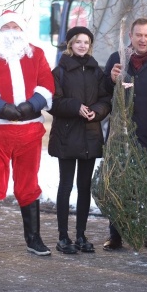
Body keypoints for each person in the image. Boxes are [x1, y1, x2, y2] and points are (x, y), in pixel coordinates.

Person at [0, 10, 54, 258]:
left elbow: (47, 84)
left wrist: (29, 106)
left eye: (16, 27)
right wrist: (1, 108)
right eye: (6, 27)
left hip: (29, 131)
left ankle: (33, 239)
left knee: (28, 183)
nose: (11, 31)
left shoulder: (36, 53)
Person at [103, 18, 147, 251]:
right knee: (117, 184)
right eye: (138, 35)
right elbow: (104, 93)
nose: (143, 40)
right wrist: (111, 80)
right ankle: (115, 234)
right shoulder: (118, 59)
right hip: (120, 135)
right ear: (131, 36)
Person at [48, 26, 111, 254]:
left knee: (85, 187)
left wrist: (97, 111)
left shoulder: (97, 71)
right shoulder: (60, 72)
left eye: (86, 42)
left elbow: (106, 98)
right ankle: (63, 237)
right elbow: (52, 103)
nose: (82, 45)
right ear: (70, 44)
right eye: (78, 42)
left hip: (90, 135)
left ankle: (81, 235)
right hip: (67, 136)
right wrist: (76, 107)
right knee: (66, 186)